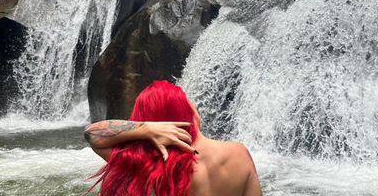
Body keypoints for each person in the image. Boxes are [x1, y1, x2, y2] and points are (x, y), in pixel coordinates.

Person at [84, 80, 262, 196]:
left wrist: (146, 128)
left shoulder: (146, 166)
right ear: (188, 110)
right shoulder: (240, 153)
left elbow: (92, 133)